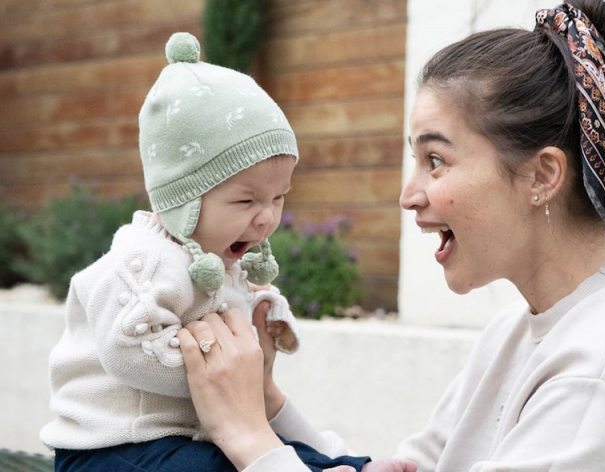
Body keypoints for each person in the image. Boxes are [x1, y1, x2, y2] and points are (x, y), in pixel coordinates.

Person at [175, 1, 605, 471]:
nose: (408, 196)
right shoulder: (514, 333)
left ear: (542, 175)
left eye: (435, 160)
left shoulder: (601, 371)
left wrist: (247, 436)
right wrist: (267, 402)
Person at [40, 32, 373, 472]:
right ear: (184, 198)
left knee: (275, 448)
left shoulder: (217, 254)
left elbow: (240, 304)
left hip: (187, 437)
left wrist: (269, 315)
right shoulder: (142, 263)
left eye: (279, 197)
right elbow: (129, 349)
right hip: (115, 446)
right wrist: (222, 370)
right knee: (213, 465)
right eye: (247, 200)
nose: (267, 217)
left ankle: (347, 464)